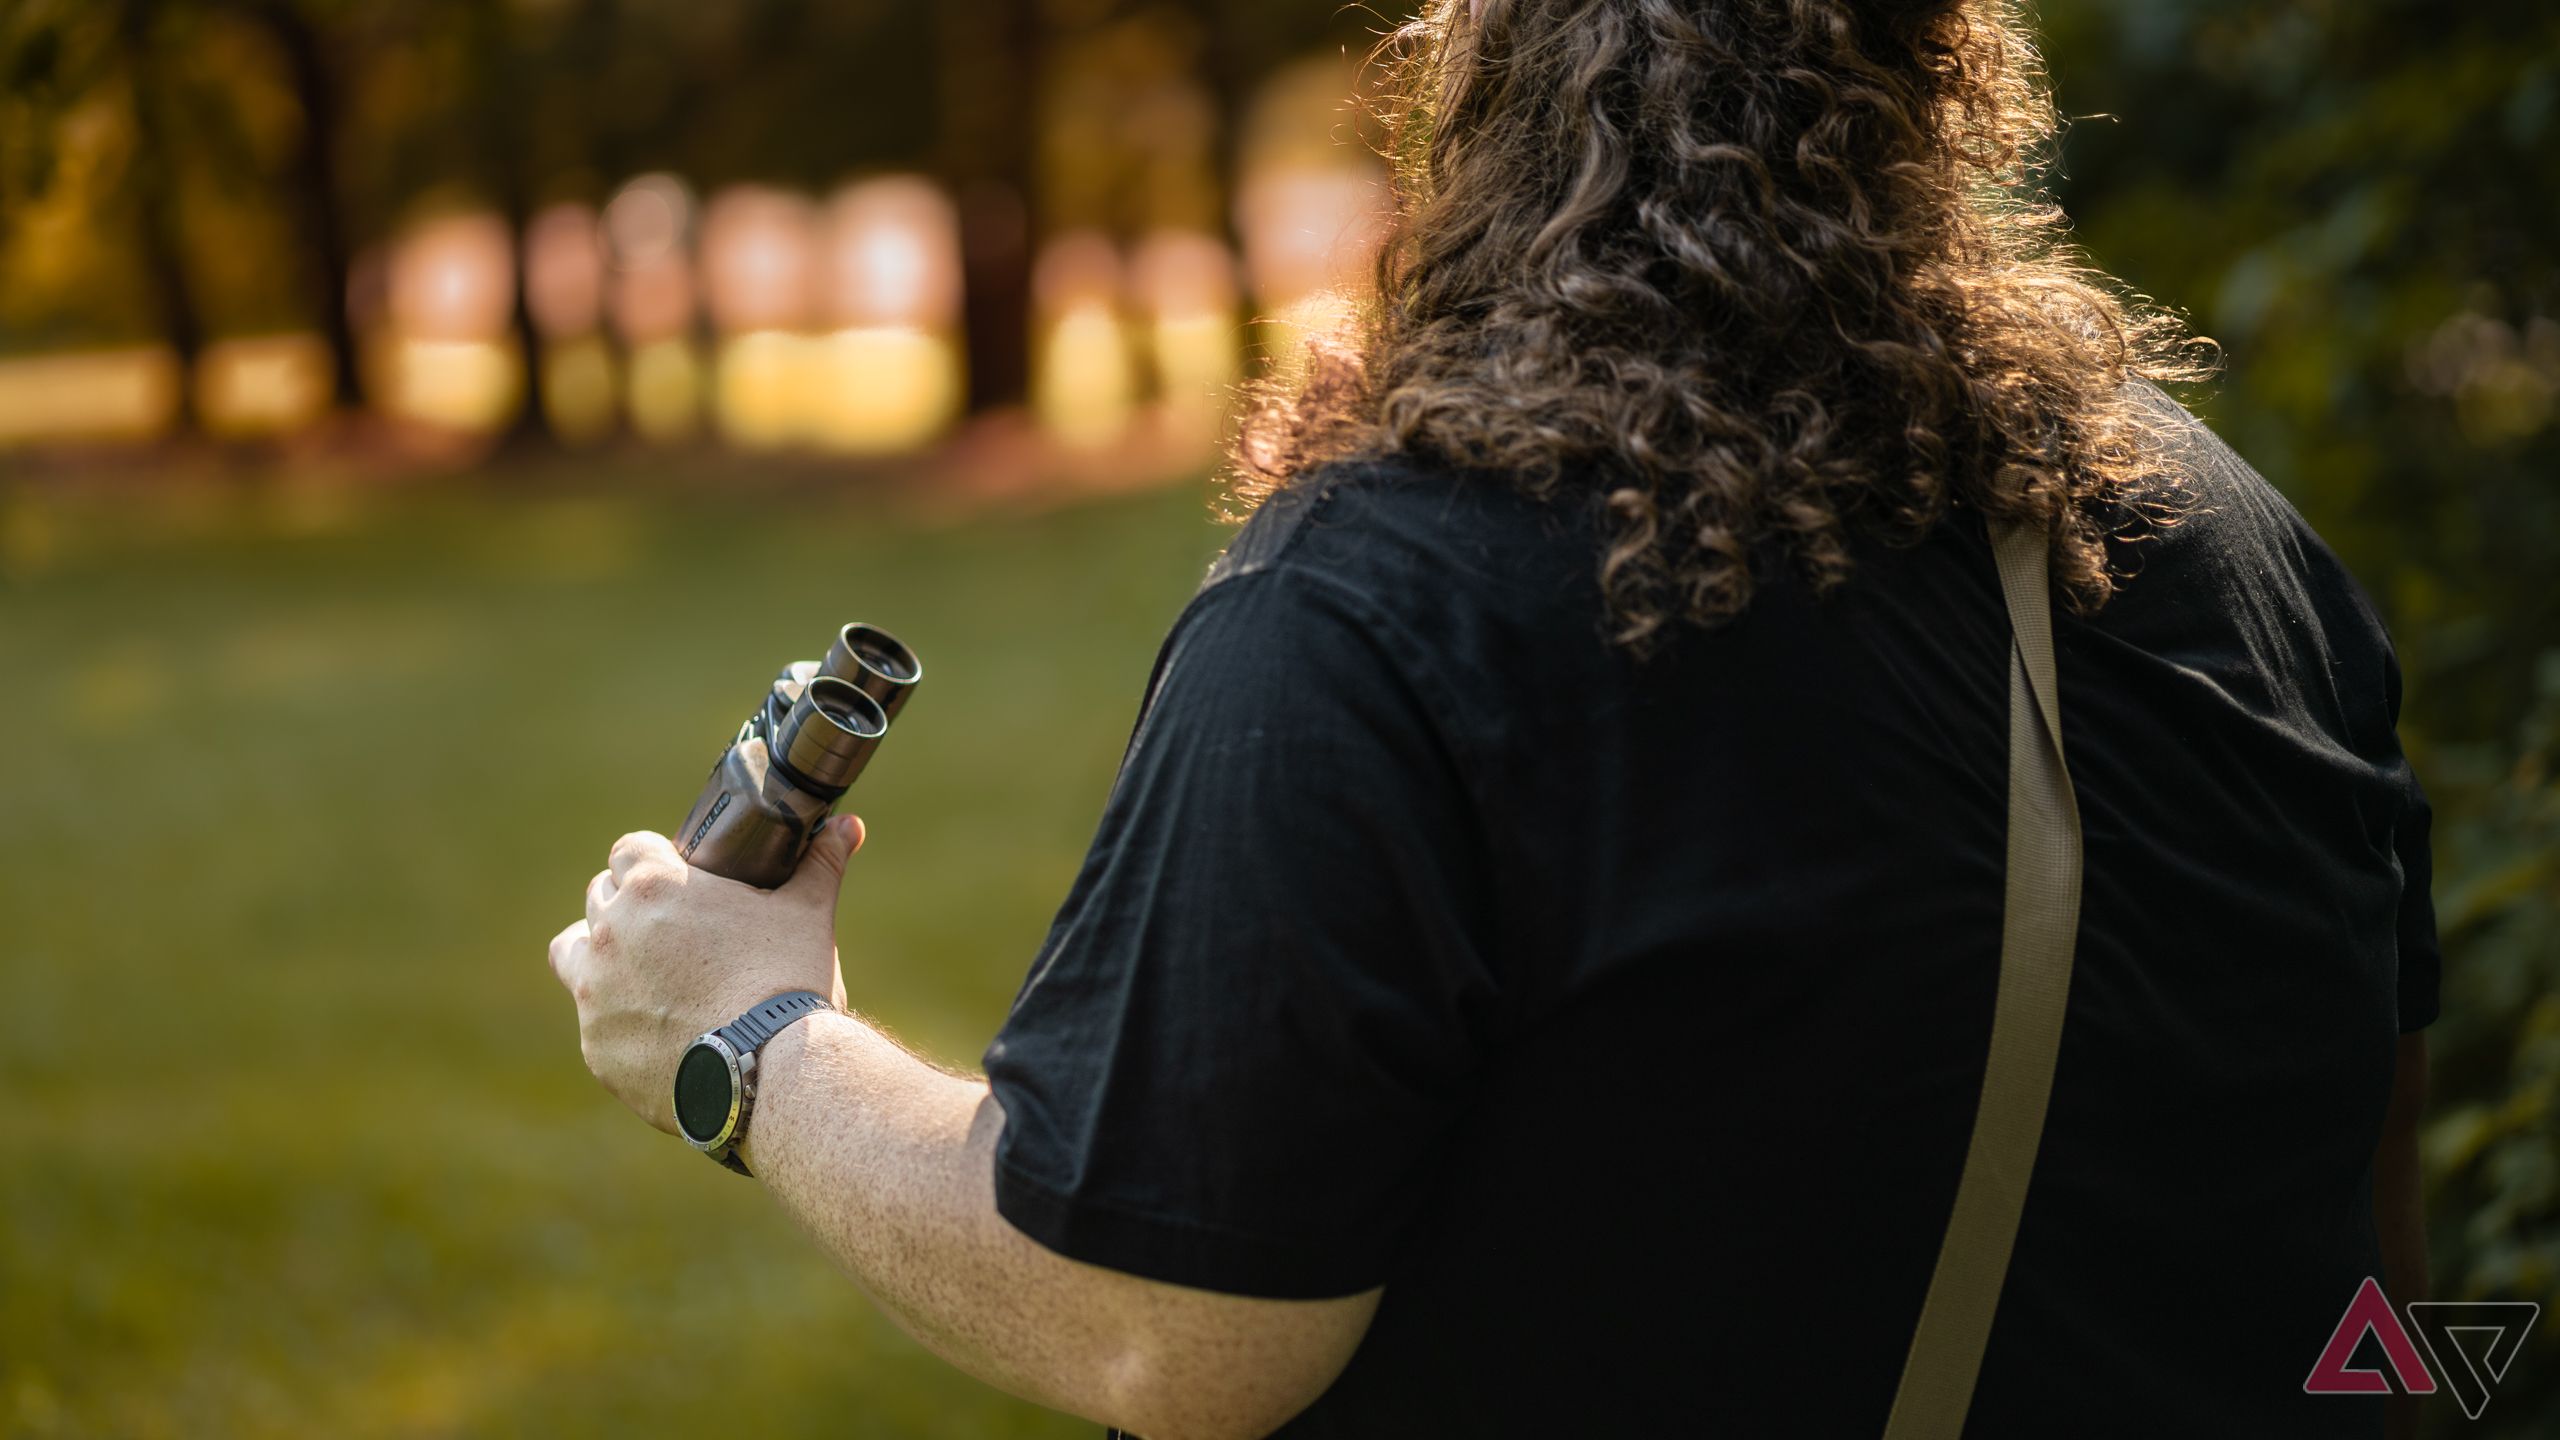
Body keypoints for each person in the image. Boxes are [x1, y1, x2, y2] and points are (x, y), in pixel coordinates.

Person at [545, 1, 2437, 1435]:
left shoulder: (1383, 601)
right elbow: (2378, 1214)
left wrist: (749, 1033)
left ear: (1489, 70)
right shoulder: (2235, 542)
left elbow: (1169, 1319)